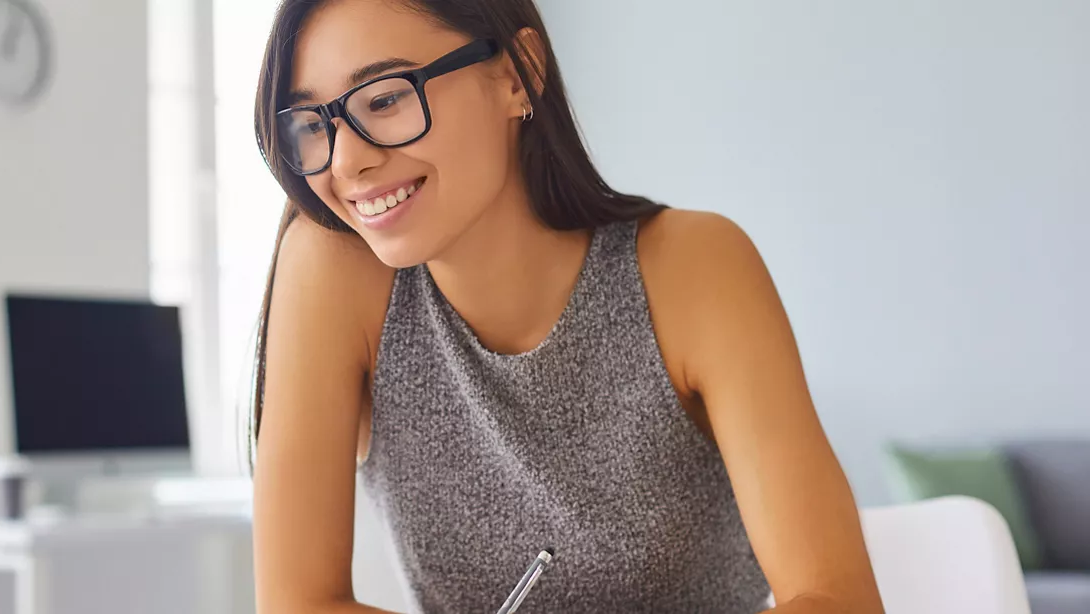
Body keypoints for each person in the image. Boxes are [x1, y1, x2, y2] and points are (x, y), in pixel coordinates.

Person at [247, 1, 884, 612]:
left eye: (385, 98)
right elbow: (299, 604)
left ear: (517, 74)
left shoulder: (696, 268)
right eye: (313, 125)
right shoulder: (334, 270)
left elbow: (840, 600)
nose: (348, 160)